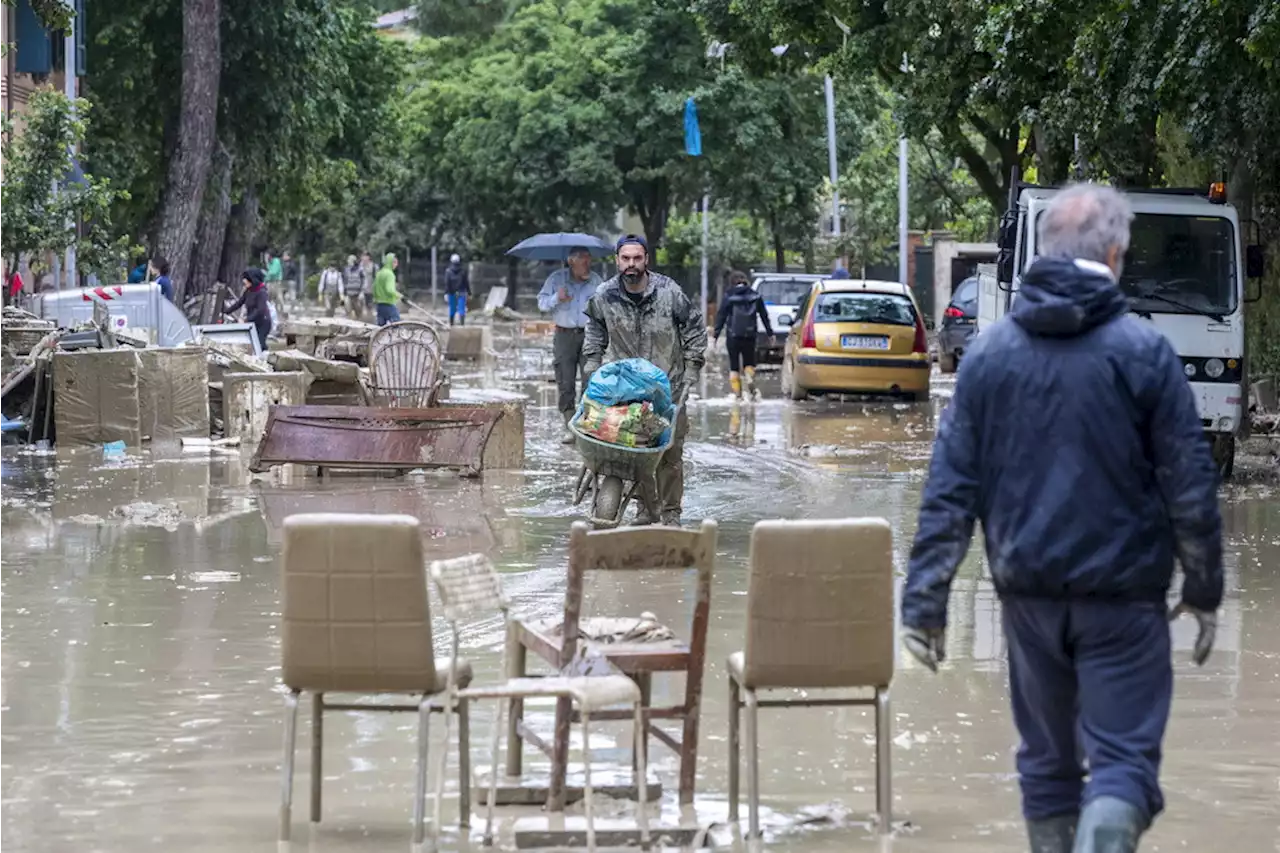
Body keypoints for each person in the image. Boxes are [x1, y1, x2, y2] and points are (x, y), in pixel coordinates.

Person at [900, 184, 1222, 853]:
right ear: (1114, 253)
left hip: (1027, 597)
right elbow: (1189, 483)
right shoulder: (1145, 352)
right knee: (1123, 763)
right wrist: (1203, 587)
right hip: (1124, 601)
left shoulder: (988, 356)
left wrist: (923, 601)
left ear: (1045, 251)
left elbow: (950, 489)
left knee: (1047, 768)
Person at [583, 235, 706, 525]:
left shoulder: (668, 292)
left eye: (637, 258)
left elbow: (694, 327)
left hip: (668, 384)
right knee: (634, 449)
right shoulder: (604, 295)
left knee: (669, 452)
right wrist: (592, 360)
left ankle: (671, 512)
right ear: (617, 260)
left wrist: (693, 365)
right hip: (624, 387)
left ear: (646, 259)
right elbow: (595, 328)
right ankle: (644, 509)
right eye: (625, 258)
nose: (631, 265)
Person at [537, 247, 603, 442]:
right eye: (583, 259)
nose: (587, 263)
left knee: (589, 380)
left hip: (590, 335)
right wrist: (557, 297)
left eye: (589, 259)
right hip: (564, 336)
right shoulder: (557, 279)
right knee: (565, 382)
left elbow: (607, 305)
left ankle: (584, 425)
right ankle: (569, 425)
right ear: (571, 261)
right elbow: (541, 304)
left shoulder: (597, 282)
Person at [713, 270, 771, 400]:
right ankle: (749, 377)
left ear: (732, 282)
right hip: (750, 335)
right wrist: (770, 333)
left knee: (734, 365)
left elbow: (721, 316)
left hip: (733, 336)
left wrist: (715, 335)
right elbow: (764, 315)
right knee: (749, 362)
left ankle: (737, 394)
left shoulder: (728, 296)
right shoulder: (756, 296)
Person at [225, 268, 273, 351]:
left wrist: (246, 320)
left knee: (259, 344)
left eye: (246, 279)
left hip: (263, 323)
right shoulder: (249, 291)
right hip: (253, 322)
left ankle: (264, 359)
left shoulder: (261, 292)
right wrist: (226, 311)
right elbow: (239, 303)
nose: (244, 281)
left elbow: (260, 310)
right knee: (254, 344)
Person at [373, 252, 401, 326]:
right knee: (396, 324)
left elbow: (374, 288)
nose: (396, 264)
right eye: (394, 262)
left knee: (380, 327)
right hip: (389, 303)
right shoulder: (390, 274)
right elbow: (389, 290)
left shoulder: (379, 273)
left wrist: (376, 298)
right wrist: (399, 295)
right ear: (390, 262)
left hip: (380, 304)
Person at [444, 253, 471, 326]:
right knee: (461, 310)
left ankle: (451, 325)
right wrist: (469, 292)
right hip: (461, 292)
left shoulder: (448, 271)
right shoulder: (463, 271)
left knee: (452, 309)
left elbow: (447, 283)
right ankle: (462, 325)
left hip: (451, 293)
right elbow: (466, 282)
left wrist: (446, 293)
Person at [343, 255, 365, 321]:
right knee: (348, 311)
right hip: (348, 294)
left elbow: (363, 281)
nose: (348, 261)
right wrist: (344, 293)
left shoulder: (360, 270)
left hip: (357, 295)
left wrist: (362, 292)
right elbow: (344, 281)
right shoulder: (346, 270)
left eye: (350, 260)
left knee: (358, 312)